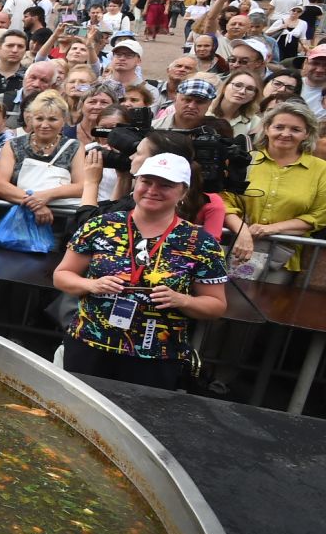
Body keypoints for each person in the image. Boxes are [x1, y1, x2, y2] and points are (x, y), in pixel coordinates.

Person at [55, 153, 228, 388]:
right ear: (136, 182)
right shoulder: (101, 225)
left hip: (156, 355)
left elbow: (216, 305)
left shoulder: (200, 242)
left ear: (183, 192)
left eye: (166, 185)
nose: (153, 190)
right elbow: (62, 275)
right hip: (90, 344)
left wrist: (182, 300)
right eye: (146, 181)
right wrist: (90, 285)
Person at [223, 101, 326, 281]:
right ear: (267, 128)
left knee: (267, 307)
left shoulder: (321, 170)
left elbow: (320, 215)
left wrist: (271, 229)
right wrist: (243, 232)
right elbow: (225, 201)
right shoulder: (246, 160)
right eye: (279, 127)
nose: (285, 134)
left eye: (295, 129)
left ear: (306, 134)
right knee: (227, 302)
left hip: (282, 257)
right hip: (235, 247)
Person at [0, 91, 87, 227]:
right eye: (39, 119)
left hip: (57, 221)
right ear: (31, 119)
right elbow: (0, 184)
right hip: (12, 221)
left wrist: (46, 195)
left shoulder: (74, 146)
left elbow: (81, 186)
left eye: (52, 119)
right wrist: (36, 204)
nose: (45, 125)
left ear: (64, 121)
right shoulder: (13, 144)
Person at [213, 71, 263, 140]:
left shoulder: (255, 122)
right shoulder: (204, 111)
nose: (242, 91)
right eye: (237, 85)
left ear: (254, 96)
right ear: (224, 87)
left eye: (249, 89)